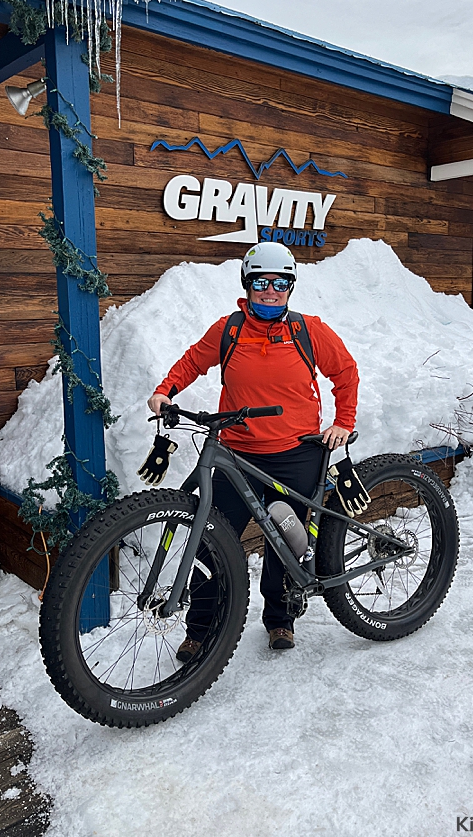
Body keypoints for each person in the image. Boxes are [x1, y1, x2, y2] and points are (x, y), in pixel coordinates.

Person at [148, 242, 359, 655]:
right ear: (248, 283)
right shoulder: (228, 329)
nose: (270, 290)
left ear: (290, 286)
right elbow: (192, 362)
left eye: (280, 282)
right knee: (211, 543)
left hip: (297, 452)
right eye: (261, 281)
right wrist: (164, 392)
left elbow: (346, 372)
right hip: (237, 454)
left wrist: (343, 423)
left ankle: (281, 622)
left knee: (285, 542)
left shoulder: (307, 329)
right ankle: (201, 630)